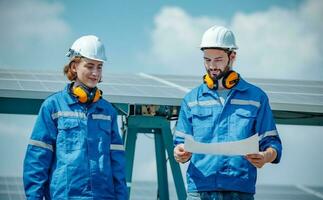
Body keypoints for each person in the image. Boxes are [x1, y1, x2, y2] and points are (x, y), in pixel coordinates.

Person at [173, 25, 282, 199]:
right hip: (199, 190)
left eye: (218, 60)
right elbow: (179, 144)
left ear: (232, 57)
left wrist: (265, 156)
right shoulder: (192, 99)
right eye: (207, 60)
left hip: (240, 191)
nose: (211, 66)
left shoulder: (256, 97)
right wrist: (180, 153)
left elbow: (273, 143)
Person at [23, 35, 128, 200]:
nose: (95, 73)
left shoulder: (108, 111)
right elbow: (38, 156)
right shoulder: (53, 106)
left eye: (99, 67)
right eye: (90, 66)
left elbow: (118, 164)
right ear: (74, 67)